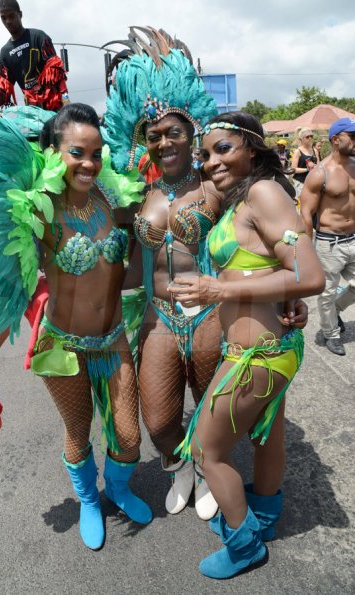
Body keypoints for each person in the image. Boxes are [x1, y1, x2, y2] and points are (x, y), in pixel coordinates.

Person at [102, 27, 308, 521]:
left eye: (175, 132)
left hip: (214, 310)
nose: (165, 141)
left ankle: (208, 463)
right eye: (154, 136)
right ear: (142, 141)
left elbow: (257, 241)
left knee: (218, 410)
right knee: (158, 419)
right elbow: (116, 256)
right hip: (159, 315)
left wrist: (285, 294)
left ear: (191, 132)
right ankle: (181, 465)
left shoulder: (218, 185)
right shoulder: (135, 196)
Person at [0, 103, 152, 550]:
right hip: (61, 345)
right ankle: (88, 499)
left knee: (127, 433)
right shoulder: (40, 212)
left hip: (113, 338)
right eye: (78, 152)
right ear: (52, 153)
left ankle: (118, 489)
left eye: (97, 153)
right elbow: (17, 289)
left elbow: (157, 227)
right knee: (78, 428)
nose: (89, 163)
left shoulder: (113, 198)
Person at [169, 111, 325, 579]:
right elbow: (280, 262)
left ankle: (245, 545)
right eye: (206, 153)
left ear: (253, 149)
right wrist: (287, 297)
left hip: (259, 355)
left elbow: (309, 273)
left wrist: (221, 291)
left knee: (205, 449)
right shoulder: (244, 199)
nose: (211, 160)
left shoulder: (262, 191)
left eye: (223, 149)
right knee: (267, 434)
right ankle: (266, 518)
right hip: (266, 348)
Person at [301, 117, 355, 356]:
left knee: (337, 296)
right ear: (336, 139)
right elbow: (306, 212)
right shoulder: (320, 173)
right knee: (326, 292)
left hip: (354, 238)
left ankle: (335, 310)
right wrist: (307, 250)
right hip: (328, 243)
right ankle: (331, 333)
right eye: (352, 137)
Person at [0, 0, 68, 112]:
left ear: (20, 14)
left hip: (55, 108)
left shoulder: (39, 37)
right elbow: (3, 90)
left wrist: (66, 102)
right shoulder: (4, 53)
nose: (8, 21)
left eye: (11, 16)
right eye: (3, 18)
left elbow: (58, 75)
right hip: (32, 113)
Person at [291, 127, 318, 199]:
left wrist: (316, 166)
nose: (310, 138)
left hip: (313, 182)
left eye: (311, 136)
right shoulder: (298, 151)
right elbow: (293, 169)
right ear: (301, 139)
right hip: (300, 182)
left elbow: (319, 165)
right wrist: (307, 169)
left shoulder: (315, 150)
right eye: (307, 137)